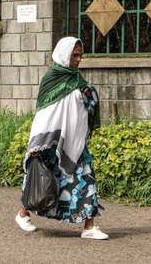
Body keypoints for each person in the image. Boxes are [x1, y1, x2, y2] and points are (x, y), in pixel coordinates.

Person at [15, 37, 108, 240]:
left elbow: (86, 103)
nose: (78, 59)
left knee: (85, 177)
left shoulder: (76, 78)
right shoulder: (53, 77)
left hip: (74, 139)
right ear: (64, 54)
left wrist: (87, 94)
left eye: (80, 55)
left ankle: (89, 226)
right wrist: (38, 144)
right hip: (51, 138)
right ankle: (23, 213)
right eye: (74, 55)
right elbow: (45, 111)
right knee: (39, 177)